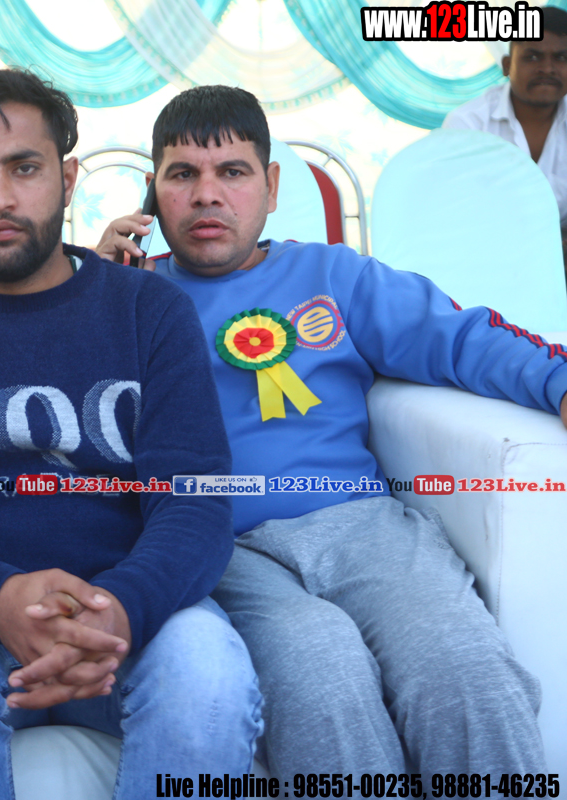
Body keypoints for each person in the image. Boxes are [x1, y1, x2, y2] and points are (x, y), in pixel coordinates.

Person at [97, 84, 560, 777]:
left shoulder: (332, 275)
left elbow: (462, 338)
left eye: (232, 172)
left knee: (460, 664)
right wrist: (82, 295)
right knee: (321, 674)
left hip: (362, 527)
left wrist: (559, 382)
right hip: (220, 548)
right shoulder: (122, 295)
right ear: (152, 194)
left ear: (271, 186)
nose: (206, 195)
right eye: (182, 174)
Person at [0, 69, 263, 799]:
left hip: (129, 615)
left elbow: (193, 502)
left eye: (24, 168)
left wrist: (118, 608)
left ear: (67, 179)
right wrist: (1, 599)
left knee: (208, 672)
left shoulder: (149, 310)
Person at [443, 6, 567, 260]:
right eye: (532, 57)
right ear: (507, 65)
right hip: (484, 257)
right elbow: (455, 213)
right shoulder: (467, 125)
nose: (548, 68)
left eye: (561, 57)